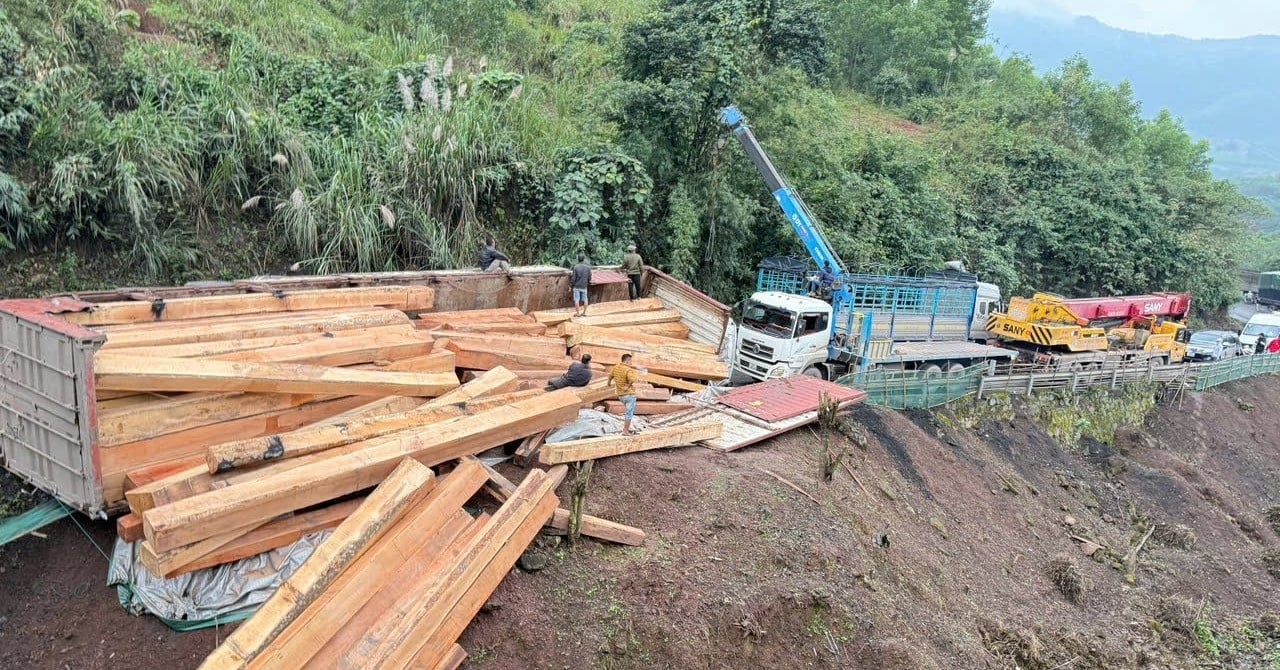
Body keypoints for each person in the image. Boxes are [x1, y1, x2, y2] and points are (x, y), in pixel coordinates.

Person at [609, 353, 643, 436]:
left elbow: (610, 376)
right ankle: (625, 431)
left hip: (620, 395)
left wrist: (608, 383)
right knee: (629, 413)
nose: (631, 362)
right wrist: (628, 386)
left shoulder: (615, 367)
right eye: (631, 361)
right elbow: (632, 379)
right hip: (629, 395)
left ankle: (628, 428)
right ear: (628, 361)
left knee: (628, 411)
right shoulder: (628, 370)